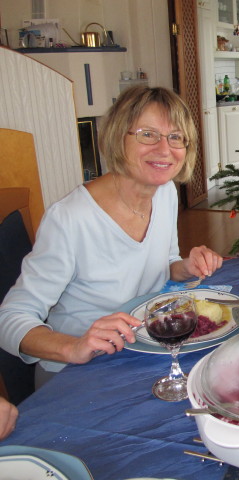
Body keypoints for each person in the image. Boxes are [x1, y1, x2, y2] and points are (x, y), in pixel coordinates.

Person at [0, 86, 223, 384]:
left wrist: (185, 266)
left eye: (175, 137)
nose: (164, 148)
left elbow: (163, 261)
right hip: (79, 371)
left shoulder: (165, 193)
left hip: (144, 348)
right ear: (118, 137)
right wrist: (74, 346)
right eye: (147, 134)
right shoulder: (70, 218)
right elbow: (10, 318)